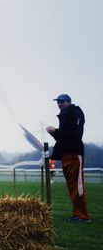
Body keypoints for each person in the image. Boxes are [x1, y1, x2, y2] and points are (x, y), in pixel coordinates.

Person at [46, 94, 91, 223]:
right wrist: (55, 133)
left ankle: (84, 216)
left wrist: (56, 131)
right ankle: (77, 214)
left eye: (62, 102)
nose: (59, 104)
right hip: (66, 155)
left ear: (69, 102)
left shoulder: (76, 113)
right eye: (58, 102)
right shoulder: (65, 116)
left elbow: (74, 135)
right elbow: (63, 138)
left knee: (78, 186)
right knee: (72, 187)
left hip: (74, 154)